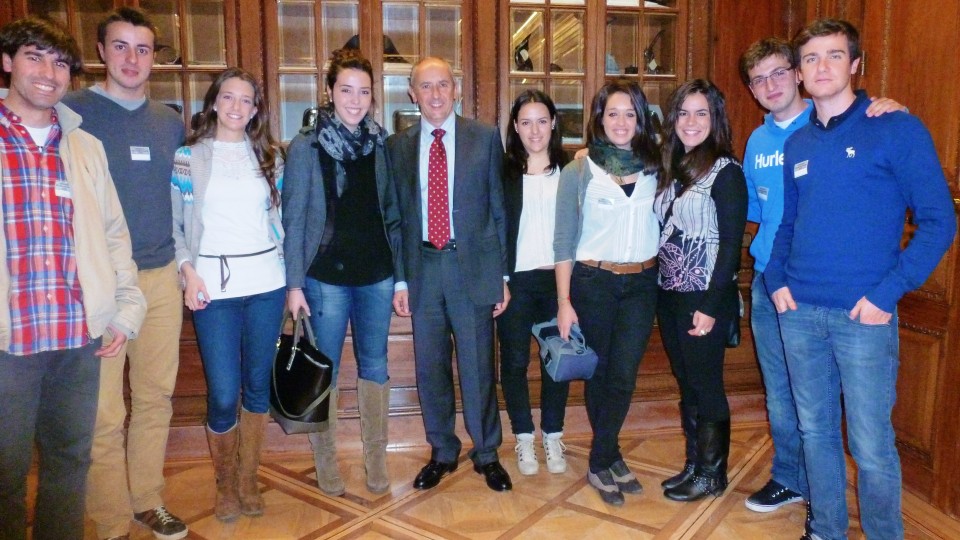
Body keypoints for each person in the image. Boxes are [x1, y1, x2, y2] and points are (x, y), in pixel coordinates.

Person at [766, 19, 955, 540]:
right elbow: (788, 222)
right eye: (810, 59)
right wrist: (776, 280)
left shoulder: (895, 128)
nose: (821, 67)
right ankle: (826, 529)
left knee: (871, 445)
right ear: (800, 74)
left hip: (863, 318)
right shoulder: (798, 144)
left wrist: (885, 295)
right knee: (815, 432)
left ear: (855, 65)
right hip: (799, 313)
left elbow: (940, 221)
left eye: (833, 56)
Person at [737, 37, 906, 517]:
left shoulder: (854, 122)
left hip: (834, 295)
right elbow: (761, 211)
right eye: (757, 80)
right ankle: (793, 481)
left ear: (796, 75)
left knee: (841, 419)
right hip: (773, 282)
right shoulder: (760, 140)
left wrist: (885, 105)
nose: (769, 85)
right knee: (784, 397)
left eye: (777, 72)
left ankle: (830, 504)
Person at [0, 17, 147, 540]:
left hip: (75, 338)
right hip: (8, 344)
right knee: (5, 476)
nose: (48, 72)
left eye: (60, 62)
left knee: (69, 465)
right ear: (8, 62)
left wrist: (126, 311)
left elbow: (114, 236)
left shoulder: (84, 148)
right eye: (35, 56)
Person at [61, 7, 187, 539]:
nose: (132, 59)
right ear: (100, 51)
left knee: (156, 397)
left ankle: (147, 500)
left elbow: (185, 201)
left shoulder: (170, 120)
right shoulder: (71, 112)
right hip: (102, 284)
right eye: (120, 46)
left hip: (161, 278)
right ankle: (112, 521)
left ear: (153, 58)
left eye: (142, 49)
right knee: (104, 412)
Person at [386, 56, 512, 493]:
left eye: (443, 85)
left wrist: (503, 278)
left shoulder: (484, 137)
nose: (435, 95)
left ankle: (488, 453)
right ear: (412, 93)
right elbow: (396, 220)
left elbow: (498, 211)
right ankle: (442, 450)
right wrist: (401, 279)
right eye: (426, 86)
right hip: (423, 269)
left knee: (479, 367)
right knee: (430, 368)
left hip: (471, 268)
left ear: (455, 89)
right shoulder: (397, 147)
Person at [282, 48, 403, 496]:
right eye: (346, 90)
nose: (355, 100)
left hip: (376, 275)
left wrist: (400, 275)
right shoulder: (306, 146)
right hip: (323, 279)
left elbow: (393, 214)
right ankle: (326, 463)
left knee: (375, 367)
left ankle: (376, 460)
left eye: (364, 92)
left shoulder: (383, 145)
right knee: (324, 371)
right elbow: (294, 220)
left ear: (374, 97)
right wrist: (294, 284)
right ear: (330, 93)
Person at [170, 67, 286, 522]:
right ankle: (224, 482)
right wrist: (187, 271)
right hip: (212, 291)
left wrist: (291, 281)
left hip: (267, 286)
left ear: (256, 110)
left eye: (247, 100)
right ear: (214, 102)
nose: (237, 107)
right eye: (229, 98)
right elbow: (176, 226)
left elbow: (283, 220)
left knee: (257, 387)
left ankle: (247, 479)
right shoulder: (188, 157)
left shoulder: (272, 157)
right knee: (222, 392)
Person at [554, 80, 661, 506]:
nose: (621, 122)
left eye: (630, 114)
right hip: (592, 282)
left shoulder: (658, 166)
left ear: (641, 120)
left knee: (624, 373)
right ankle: (606, 460)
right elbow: (563, 242)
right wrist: (563, 302)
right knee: (600, 374)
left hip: (641, 284)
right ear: (599, 118)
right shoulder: (578, 170)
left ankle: (604, 455)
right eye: (613, 113)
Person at [653, 79, 747, 503]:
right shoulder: (674, 166)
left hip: (704, 296)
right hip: (671, 293)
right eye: (684, 113)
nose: (691, 122)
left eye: (701, 113)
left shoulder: (727, 171)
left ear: (716, 120)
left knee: (706, 384)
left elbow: (730, 245)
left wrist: (711, 306)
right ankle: (695, 464)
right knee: (687, 382)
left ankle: (712, 474)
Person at [499, 90, 571, 476]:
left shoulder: (572, 170)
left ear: (554, 123)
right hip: (516, 282)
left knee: (556, 362)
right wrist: (501, 280)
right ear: (514, 127)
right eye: (525, 122)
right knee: (513, 363)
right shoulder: (503, 174)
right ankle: (524, 438)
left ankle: (553, 434)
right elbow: (493, 231)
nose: (534, 130)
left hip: (559, 283)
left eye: (542, 120)